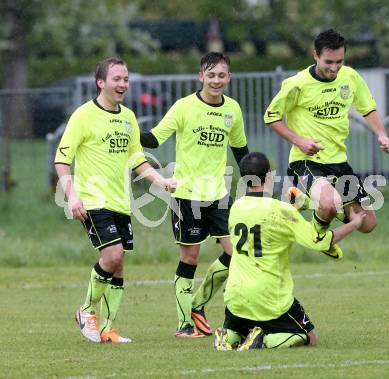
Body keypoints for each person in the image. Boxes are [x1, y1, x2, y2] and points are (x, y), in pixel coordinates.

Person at [54, 57, 176, 343]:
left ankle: (108, 328)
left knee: (119, 265)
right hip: (93, 201)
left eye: (125, 79)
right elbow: (61, 160)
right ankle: (85, 310)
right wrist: (73, 197)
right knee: (113, 256)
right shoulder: (83, 116)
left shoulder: (128, 117)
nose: (123, 84)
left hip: (121, 202)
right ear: (101, 83)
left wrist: (162, 182)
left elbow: (138, 160)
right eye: (117, 79)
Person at [140, 52, 249, 337]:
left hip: (220, 194)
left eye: (221, 75)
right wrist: (128, 130)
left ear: (229, 78)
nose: (216, 80)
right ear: (201, 76)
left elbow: (241, 152)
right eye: (210, 75)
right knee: (190, 258)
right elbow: (153, 139)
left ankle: (198, 305)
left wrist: (257, 184)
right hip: (186, 195)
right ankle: (184, 324)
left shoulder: (232, 110)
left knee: (235, 253)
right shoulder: (183, 107)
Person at [214, 152, 366, 351]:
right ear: (269, 174)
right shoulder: (280, 211)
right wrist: (353, 224)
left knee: (239, 327)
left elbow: (266, 220)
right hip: (268, 297)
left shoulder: (236, 207)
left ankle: (228, 336)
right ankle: (262, 339)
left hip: (236, 296)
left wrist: (295, 209)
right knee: (309, 337)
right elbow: (319, 241)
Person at [264, 29, 389, 248]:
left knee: (367, 223)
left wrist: (382, 134)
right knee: (329, 202)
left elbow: (368, 109)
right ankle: (320, 239)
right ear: (315, 55)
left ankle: (304, 201)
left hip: (339, 162)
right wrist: (300, 141)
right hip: (306, 161)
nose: (334, 68)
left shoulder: (350, 77)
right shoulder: (297, 84)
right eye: (328, 62)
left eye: (339, 61)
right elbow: (271, 117)